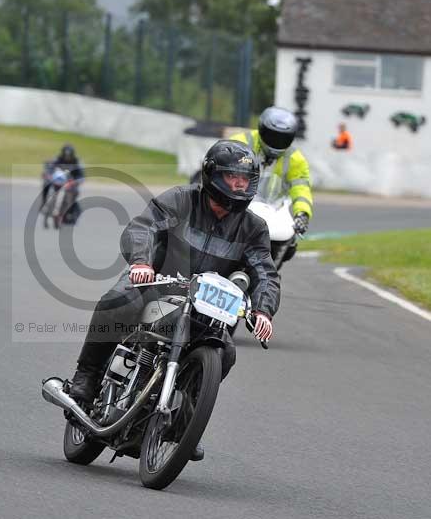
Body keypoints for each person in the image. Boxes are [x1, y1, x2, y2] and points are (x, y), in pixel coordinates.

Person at [68, 140, 280, 462]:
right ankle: (87, 376)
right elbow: (143, 227)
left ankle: (183, 426)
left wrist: (263, 310)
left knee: (225, 353)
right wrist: (141, 261)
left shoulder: (254, 228)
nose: (239, 185)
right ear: (212, 176)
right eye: (231, 177)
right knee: (117, 302)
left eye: (245, 179)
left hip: (206, 305)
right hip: (156, 281)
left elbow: (265, 272)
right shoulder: (180, 200)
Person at [229, 106, 313, 261]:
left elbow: (301, 189)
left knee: (290, 242)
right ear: (261, 130)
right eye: (272, 136)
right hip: (237, 205)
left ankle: (272, 274)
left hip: (274, 209)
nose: (276, 142)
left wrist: (302, 214)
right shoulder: (240, 143)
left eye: (282, 138)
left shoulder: (296, 159)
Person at [41, 144, 84, 225]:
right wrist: (47, 175)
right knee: (46, 185)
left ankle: (69, 210)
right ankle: (45, 204)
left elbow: (81, 176)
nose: (67, 157)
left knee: (74, 193)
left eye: (69, 155)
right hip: (58, 181)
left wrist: (74, 181)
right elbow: (49, 168)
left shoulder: (77, 162)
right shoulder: (57, 159)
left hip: (71, 183)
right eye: (65, 155)